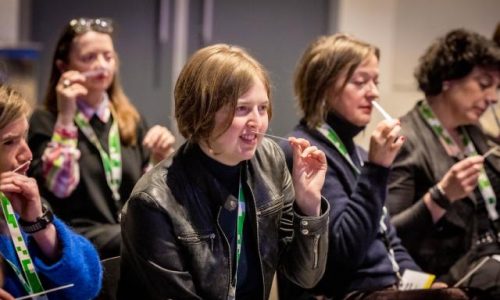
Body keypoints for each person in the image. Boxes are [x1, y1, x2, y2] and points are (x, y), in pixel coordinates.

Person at [118, 44, 330, 299]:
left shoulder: (270, 160)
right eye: (242, 109)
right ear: (202, 112)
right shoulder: (154, 201)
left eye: (262, 108)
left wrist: (308, 206)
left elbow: (305, 276)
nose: (257, 121)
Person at [277, 33, 439, 300]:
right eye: (361, 81)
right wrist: (376, 169)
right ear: (323, 86)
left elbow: (389, 239)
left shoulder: (357, 153)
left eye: (375, 82)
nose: (373, 92)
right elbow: (343, 252)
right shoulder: (306, 153)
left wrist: (425, 285)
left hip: (387, 288)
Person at [28, 18, 176, 259]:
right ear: (64, 67)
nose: (102, 65)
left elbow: (144, 195)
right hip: (76, 240)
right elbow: (60, 187)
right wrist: (66, 115)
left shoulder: (129, 119)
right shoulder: (46, 120)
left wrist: (159, 160)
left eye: (108, 57)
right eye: (89, 58)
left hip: (125, 233)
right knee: (152, 239)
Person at [386, 29, 500, 297]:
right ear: (448, 79)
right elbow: (390, 235)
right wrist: (441, 196)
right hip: (444, 277)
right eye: (484, 84)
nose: (494, 97)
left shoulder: (472, 132)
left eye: (497, 88)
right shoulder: (407, 140)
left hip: (487, 263)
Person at [0, 85, 101, 299]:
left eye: (24, 137)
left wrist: (40, 227)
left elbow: (88, 287)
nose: (27, 155)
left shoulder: (23, 205)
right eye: (9, 142)